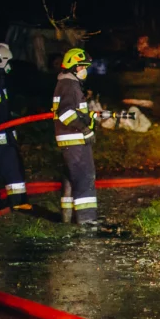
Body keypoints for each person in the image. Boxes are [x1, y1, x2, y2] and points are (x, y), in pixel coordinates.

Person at [0, 43, 29, 213]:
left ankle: (18, 201)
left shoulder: (0, 82)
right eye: (7, 61)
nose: (10, 66)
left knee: (12, 169)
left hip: (6, 137)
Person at [53, 48, 98, 225]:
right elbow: (65, 113)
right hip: (74, 138)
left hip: (69, 139)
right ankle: (87, 221)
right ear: (74, 67)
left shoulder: (67, 84)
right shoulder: (69, 85)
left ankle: (67, 217)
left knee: (71, 178)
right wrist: (84, 129)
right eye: (82, 66)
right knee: (84, 177)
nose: (84, 70)